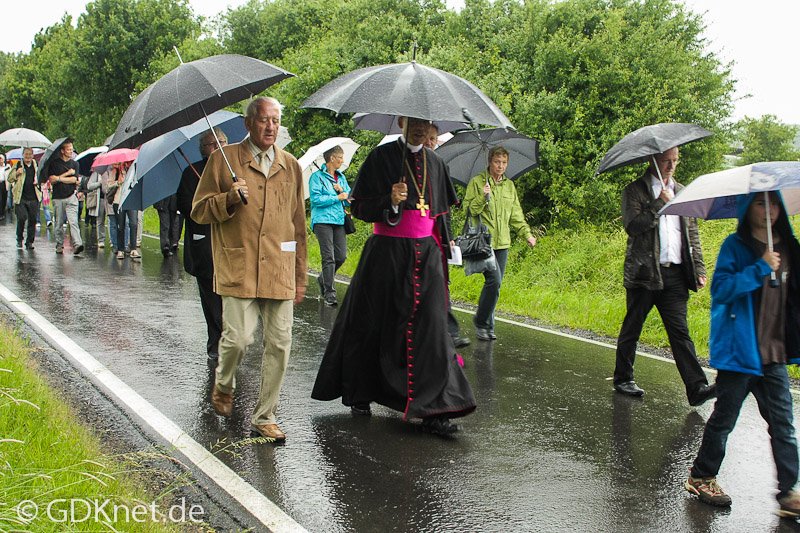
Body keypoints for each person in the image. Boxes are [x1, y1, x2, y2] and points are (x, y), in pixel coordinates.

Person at [311, 116, 476, 437]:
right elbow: (359, 208)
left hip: (427, 257)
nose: (420, 128)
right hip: (386, 254)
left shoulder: (436, 163)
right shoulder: (380, 157)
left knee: (433, 329)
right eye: (414, 121)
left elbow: (440, 214)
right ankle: (360, 391)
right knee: (372, 324)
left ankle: (435, 411)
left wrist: (446, 250)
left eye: (426, 123)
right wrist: (389, 200)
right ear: (401, 120)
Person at [192, 97, 306, 443]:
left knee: (280, 344)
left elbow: (298, 225)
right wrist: (228, 198)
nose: (270, 127)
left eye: (275, 121)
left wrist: (300, 276)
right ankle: (224, 384)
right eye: (263, 120)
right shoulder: (222, 160)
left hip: (279, 268)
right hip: (239, 266)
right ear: (248, 123)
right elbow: (199, 211)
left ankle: (265, 416)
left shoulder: (291, 165)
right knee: (239, 339)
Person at [685, 192, 800, 514]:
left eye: (774, 203)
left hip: (774, 353)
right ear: (748, 208)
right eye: (761, 203)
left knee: (783, 425)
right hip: (740, 352)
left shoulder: (790, 248)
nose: (769, 210)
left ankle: (789, 493)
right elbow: (721, 290)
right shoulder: (734, 247)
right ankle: (701, 476)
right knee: (724, 419)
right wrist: (759, 268)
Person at [613, 147, 715, 406]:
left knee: (680, 332)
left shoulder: (681, 191)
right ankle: (623, 378)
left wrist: (699, 268)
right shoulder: (635, 190)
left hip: (675, 274)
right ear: (652, 160)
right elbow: (632, 226)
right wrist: (659, 204)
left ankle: (697, 387)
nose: (671, 166)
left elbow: (691, 233)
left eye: (675, 160)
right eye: (666, 161)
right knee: (633, 326)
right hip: (645, 272)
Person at [463, 146, 536, 341]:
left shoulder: (509, 186)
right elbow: (468, 210)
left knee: (496, 285)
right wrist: (483, 197)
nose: (500, 166)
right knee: (493, 281)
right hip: (484, 241)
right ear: (490, 162)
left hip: (503, 243)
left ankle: (488, 326)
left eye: (504, 162)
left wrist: (527, 234)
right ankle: (481, 322)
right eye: (497, 162)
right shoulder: (477, 182)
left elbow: (516, 215)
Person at [176, 127, 226, 368]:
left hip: (231, 244)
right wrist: (206, 203)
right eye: (213, 144)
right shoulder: (191, 172)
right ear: (203, 149)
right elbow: (184, 206)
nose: (219, 147)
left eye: (222, 142)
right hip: (204, 243)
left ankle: (232, 339)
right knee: (211, 296)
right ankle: (216, 343)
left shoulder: (234, 170)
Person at [424, 124, 469, 348]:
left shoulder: (440, 165)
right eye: (427, 138)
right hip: (414, 235)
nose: (430, 142)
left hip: (436, 235)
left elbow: (445, 208)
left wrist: (449, 236)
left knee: (441, 282)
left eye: (433, 139)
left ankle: (450, 333)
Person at [308, 145, 351, 306]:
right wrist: (336, 198)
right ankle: (329, 293)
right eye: (340, 157)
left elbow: (349, 198)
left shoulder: (341, 178)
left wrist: (342, 191)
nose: (342, 160)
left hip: (339, 220)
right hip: (322, 221)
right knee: (329, 257)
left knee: (341, 256)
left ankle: (323, 278)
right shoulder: (316, 177)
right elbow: (315, 200)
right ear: (332, 158)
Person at [48, 138, 84, 255]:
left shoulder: (75, 164)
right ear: (62, 151)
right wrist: (67, 174)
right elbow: (52, 180)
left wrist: (59, 178)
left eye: (72, 149)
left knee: (73, 222)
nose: (71, 151)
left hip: (71, 196)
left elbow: (74, 180)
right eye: (68, 149)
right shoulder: (54, 164)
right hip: (58, 197)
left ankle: (77, 244)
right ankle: (59, 244)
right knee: (59, 223)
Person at [7, 147, 41, 249]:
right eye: (26, 154)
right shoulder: (18, 165)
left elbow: (42, 177)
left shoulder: (36, 165)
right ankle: (19, 238)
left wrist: (38, 181)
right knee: (21, 218)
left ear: (33, 155)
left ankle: (29, 242)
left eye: (30, 154)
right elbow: (9, 178)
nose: (28, 156)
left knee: (32, 220)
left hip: (34, 196)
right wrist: (17, 173)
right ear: (23, 155)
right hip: (21, 197)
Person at [154, 193, 181, 257]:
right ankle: (165, 246)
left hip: (173, 202)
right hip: (162, 202)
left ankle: (170, 244)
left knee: (172, 225)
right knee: (165, 225)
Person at [0, 154, 9, 220]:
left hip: (4, 184)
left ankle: (2, 212)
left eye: (1, 159)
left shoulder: (7, 167)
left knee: (3, 199)